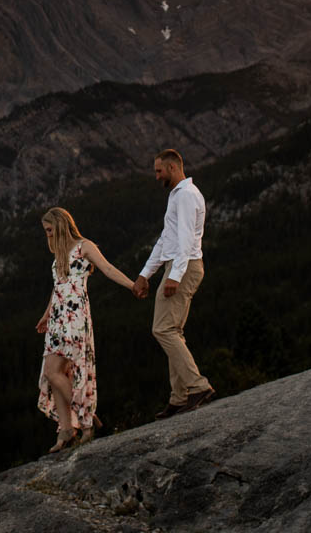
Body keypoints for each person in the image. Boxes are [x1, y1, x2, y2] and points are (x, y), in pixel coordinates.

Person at [36, 206, 138, 453]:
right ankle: (67, 430)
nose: (47, 235)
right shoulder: (59, 254)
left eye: (49, 230)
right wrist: (45, 315)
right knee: (53, 372)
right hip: (57, 318)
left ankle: (85, 417)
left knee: (58, 371)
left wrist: (132, 285)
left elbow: (108, 269)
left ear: (60, 225)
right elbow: (58, 286)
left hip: (75, 316)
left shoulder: (84, 246)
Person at [132, 148, 215, 419]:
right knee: (172, 331)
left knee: (163, 330)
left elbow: (186, 240)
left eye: (159, 171)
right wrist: (146, 274)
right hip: (177, 265)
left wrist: (175, 276)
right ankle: (179, 398)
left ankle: (197, 386)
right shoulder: (177, 196)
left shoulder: (188, 196)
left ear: (172, 167)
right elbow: (166, 239)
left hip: (185, 266)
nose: (156, 176)